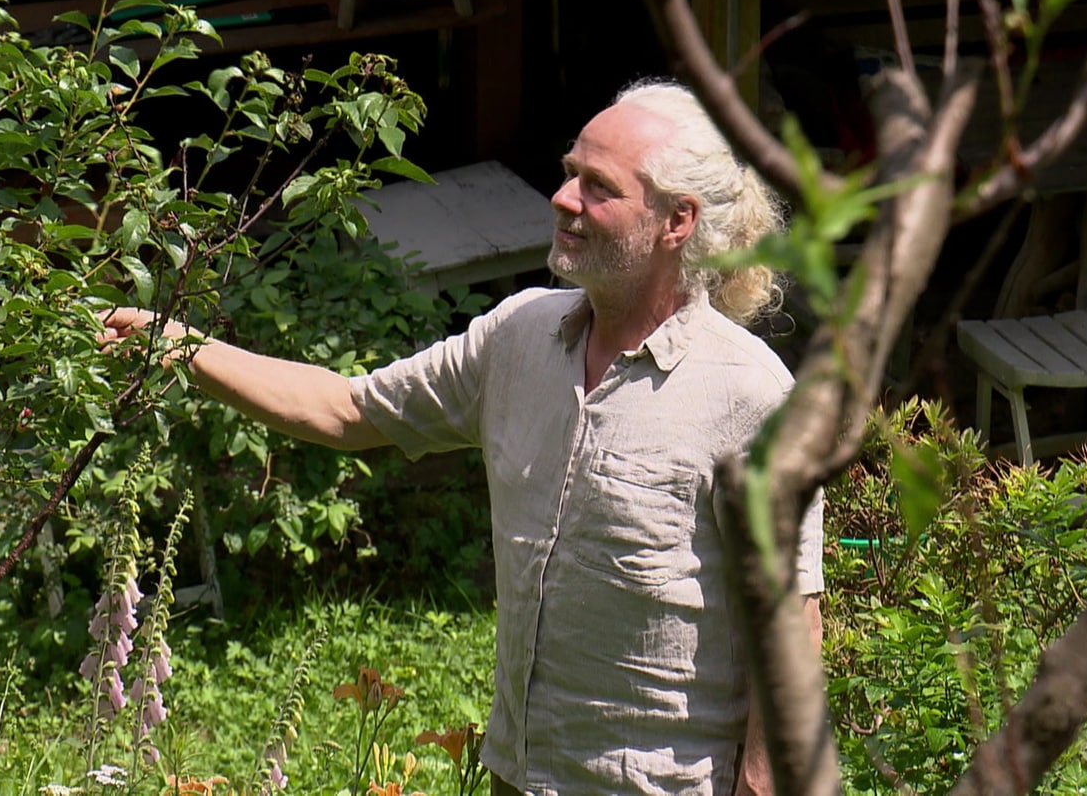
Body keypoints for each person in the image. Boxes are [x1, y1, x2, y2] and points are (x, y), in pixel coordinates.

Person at [102, 80, 824, 796]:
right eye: (570, 172)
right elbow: (347, 411)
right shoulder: (519, 338)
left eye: (599, 187)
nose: (565, 199)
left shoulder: (748, 398)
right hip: (518, 776)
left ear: (678, 221)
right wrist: (184, 349)